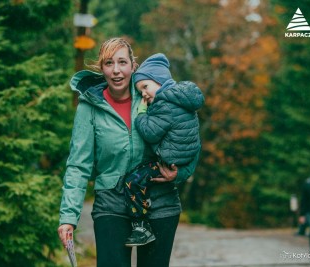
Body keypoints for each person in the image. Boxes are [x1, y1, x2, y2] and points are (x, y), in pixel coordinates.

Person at [57, 38, 200, 267]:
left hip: (160, 201)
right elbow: (78, 165)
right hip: (111, 204)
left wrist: (180, 173)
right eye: (109, 63)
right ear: (101, 68)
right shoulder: (89, 106)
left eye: (122, 62)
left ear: (133, 65)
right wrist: (68, 218)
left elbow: (188, 138)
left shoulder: (151, 93)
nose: (116, 70)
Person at [123, 53, 204, 247]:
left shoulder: (164, 104)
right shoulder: (182, 101)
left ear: (159, 81)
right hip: (181, 159)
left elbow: (150, 133)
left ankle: (141, 227)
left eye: (145, 87)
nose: (143, 94)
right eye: (139, 90)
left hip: (167, 161)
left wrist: (141, 114)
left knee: (132, 182)